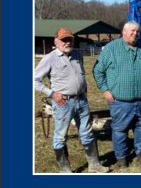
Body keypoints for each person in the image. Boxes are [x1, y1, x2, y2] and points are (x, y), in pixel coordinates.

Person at [34, 27, 109, 173]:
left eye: (70, 39)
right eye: (64, 40)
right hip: (63, 103)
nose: (67, 42)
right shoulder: (49, 58)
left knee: (87, 133)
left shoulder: (77, 54)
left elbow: (81, 75)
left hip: (81, 101)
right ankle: (65, 169)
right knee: (61, 137)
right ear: (56, 41)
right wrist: (52, 93)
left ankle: (94, 165)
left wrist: (84, 91)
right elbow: (34, 80)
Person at [93, 21, 141, 168]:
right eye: (132, 31)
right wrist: (105, 90)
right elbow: (98, 71)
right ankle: (122, 159)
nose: (135, 34)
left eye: (137, 31)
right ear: (124, 32)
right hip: (120, 101)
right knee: (120, 130)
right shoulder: (111, 49)